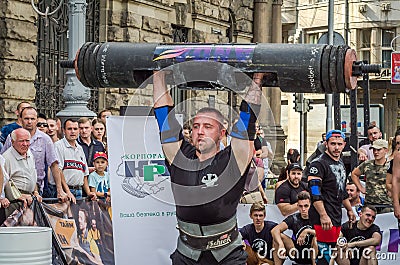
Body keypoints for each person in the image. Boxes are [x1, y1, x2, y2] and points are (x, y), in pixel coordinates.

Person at [153, 70, 265, 264]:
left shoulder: (232, 161)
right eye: (196, 126)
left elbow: (247, 120)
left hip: (227, 255)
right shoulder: (179, 157)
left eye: (207, 126)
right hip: (187, 255)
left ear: (222, 133)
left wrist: (257, 79)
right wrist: (158, 75)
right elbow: (163, 116)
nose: (200, 132)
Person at [307, 129, 356, 265]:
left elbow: (342, 190)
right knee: (325, 256)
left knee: (335, 251)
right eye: (333, 143)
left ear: (344, 144)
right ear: (326, 143)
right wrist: (323, 215)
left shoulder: (340, 162)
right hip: (323, 216)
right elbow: (314, 192)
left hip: (336, 214)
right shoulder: (318, 163)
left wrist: (349, 209)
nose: (336, 147)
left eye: (339, 144)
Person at [1, 107, 69, 201]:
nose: (29, 121)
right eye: (26, 118)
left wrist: (59, 190)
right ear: (20, 120)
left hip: (38, 189)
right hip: (15, 191)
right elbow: (2, 164)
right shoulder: (12, 137)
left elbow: (54, 164)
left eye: (32, 119)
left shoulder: (45, 139)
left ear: (37, 120)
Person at [2, 128, 42, 217]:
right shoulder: (6, 158)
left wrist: (36, 192)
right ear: (12, 142)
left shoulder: (29, 153)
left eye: (27, 141)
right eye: (21, 141)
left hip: (30, 200)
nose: (25, 144)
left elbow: (32, 175)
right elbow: (4, 182)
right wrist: (19, 196)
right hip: (15, 203)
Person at [53, 119, 95, 200]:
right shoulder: (58, 146)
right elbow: (59, 170)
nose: (72, 131)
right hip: (64, 192)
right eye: (69, 129)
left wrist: (88, 192)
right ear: (63, 130)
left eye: (75, 129)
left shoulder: (80, 148)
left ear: (78, 131)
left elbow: (84, 173)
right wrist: (68, 191)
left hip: (79, 191)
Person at [271, 191, 317, 265]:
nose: (303, 209)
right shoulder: (294, 218)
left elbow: (325, 233)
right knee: (277, 237)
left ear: (310, 205)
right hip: (296, 252)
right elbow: (274, 230)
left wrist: (307, 231)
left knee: (316, 239)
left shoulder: (316, 217)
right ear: (297, 206)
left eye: (306, 206)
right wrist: (281, 244)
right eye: (301, 206)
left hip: (313, 252)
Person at [351, 139, 392, 213]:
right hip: (370, 204)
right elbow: (354, 174)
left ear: (386, 150)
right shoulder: (367, 164)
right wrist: (360, 188)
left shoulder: (390, 165)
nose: (376, 152)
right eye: (374, 150)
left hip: (387, 204)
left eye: (379, 150)